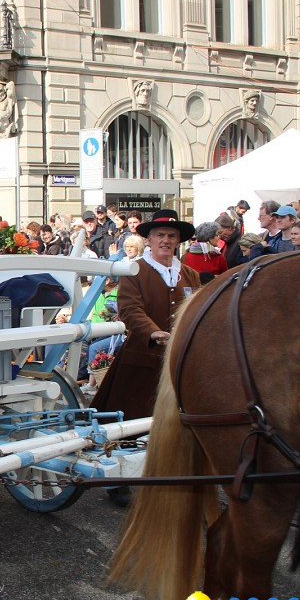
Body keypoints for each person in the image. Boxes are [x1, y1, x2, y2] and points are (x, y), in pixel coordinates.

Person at [90, 210, 201, 507]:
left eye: (172, 236)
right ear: (149, 239)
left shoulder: (189, 274)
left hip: (180, 359)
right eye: (160, 235)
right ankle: (119, 480)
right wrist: (153, 332)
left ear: (179, 241)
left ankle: (167, 474)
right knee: (128, 418)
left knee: (176, 419)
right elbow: (129, 309)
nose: (166, 240)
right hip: (143, 356)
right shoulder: (134, 270)